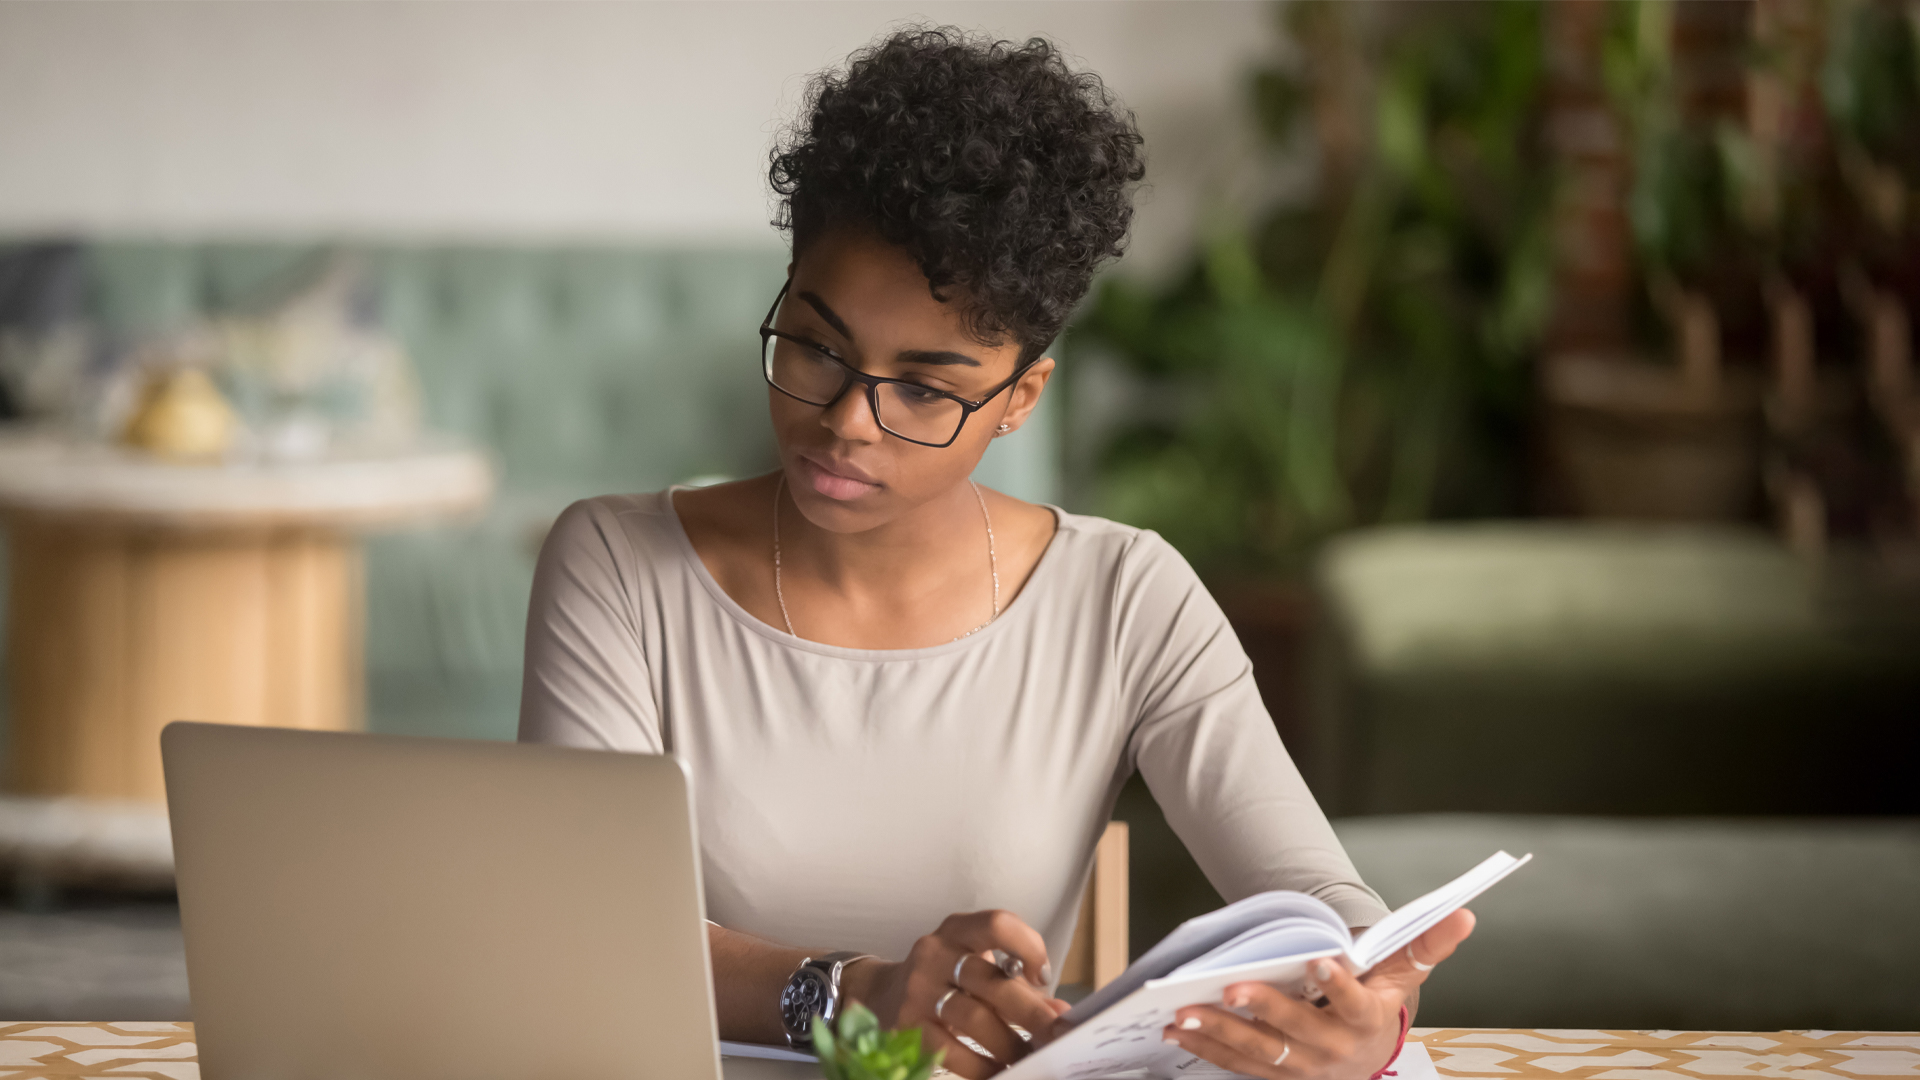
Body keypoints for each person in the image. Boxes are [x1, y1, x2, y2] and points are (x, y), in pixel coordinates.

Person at [518, 27, 1474, 1080]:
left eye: (924, 387)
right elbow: (575, 930)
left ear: (1021, 399)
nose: (847, 422)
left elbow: (1319, 898)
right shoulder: (615, 565)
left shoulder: (1125, 596)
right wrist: (847, 995)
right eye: (815, 344)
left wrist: (1366, 1003)